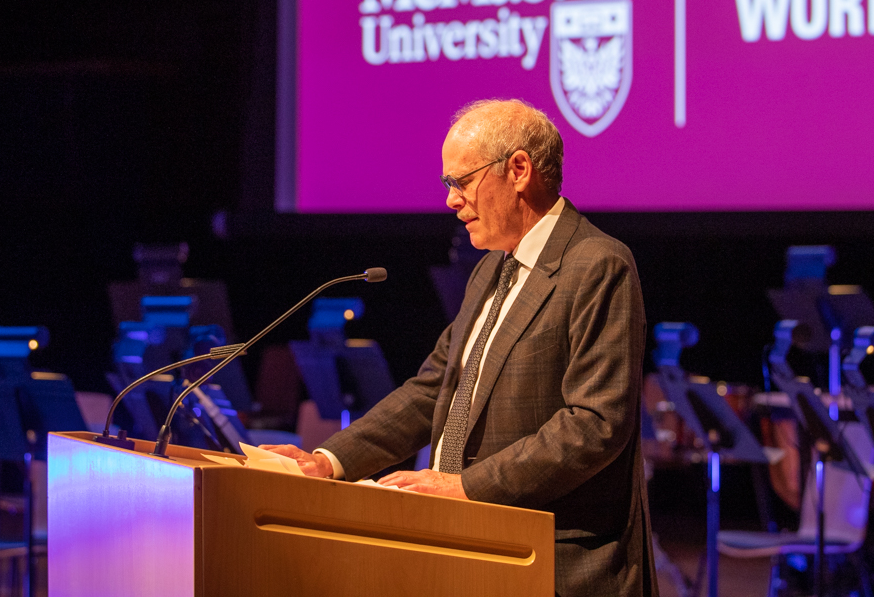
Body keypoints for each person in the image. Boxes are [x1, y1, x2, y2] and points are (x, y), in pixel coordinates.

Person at [265, 99, 657, 597]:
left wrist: (468, 487)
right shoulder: (489, 270)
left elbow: (596, 424)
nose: (451, 200)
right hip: (470, 548)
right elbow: (433, 389)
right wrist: (327, 461)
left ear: (518, 170)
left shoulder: (598, 264)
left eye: (461, 181)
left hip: (557, 563)